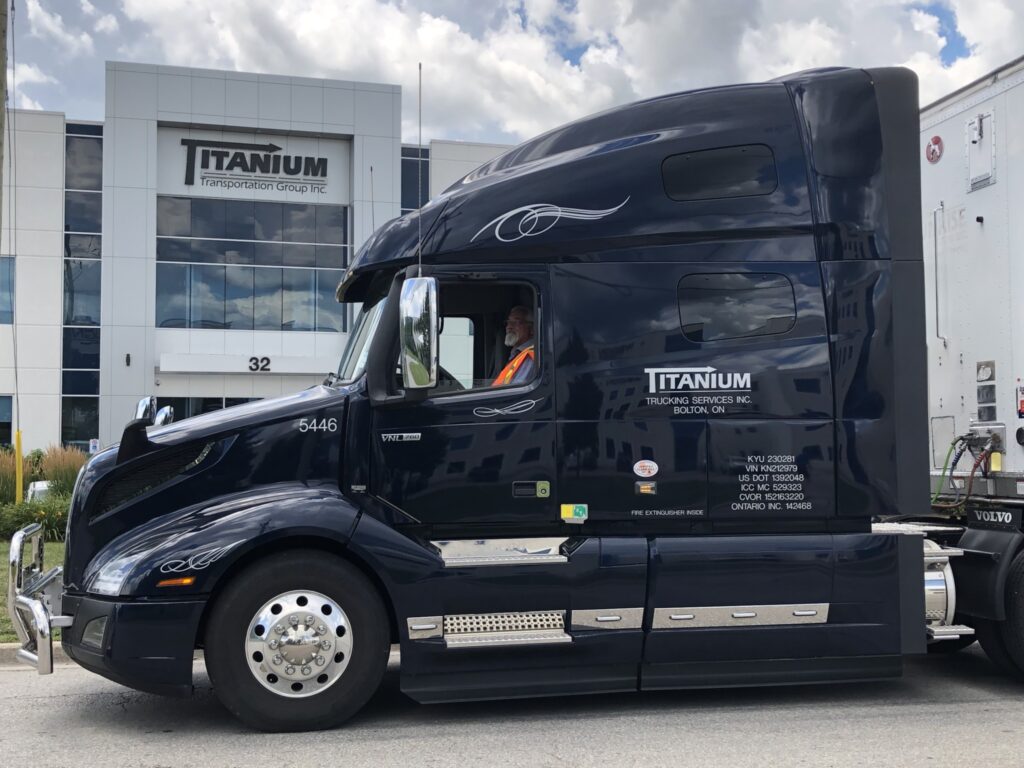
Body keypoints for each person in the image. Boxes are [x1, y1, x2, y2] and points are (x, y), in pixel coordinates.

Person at [492, 305, 535, 386]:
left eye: (516, 322)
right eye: (508, 322)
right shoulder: (516, 353)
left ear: (531, 328)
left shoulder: (530, 355)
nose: (509, 327)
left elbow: (517, 390)